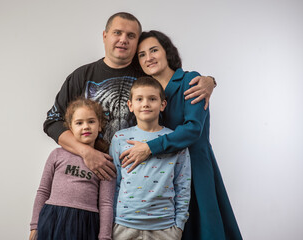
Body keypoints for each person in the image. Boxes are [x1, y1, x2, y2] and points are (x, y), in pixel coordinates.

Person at [43, 12, 216, 180]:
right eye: (117, 33)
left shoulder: (149, 74)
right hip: (93, 175)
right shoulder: (82, 76)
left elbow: (175, 85)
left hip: (145, 176)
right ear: (105, 36)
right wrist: (85, 151)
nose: (123, 39)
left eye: (131, 36)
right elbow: (52, 121)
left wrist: (209, 81)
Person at [119, 30, 242, 240]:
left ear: (167, 52)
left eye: (154, 50)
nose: (149, 58)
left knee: (203, 228)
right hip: (163, 176)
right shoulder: (147, 92)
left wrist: (149, 148)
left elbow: (193, 129)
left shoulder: (191, 80)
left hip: (195, 168)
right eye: (142, 54)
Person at [110, 76, 191, 240]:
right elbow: (114, 182)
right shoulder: (120, 138)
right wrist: (110, 222)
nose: (145, 103)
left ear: (163, 104)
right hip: (123, 225)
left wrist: (179, 226)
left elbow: (183, 186)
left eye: (152, 99)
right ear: (130, 105)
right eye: (139, 99)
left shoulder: (174, 140)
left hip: (165, 228)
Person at [30, 98, 115, 240]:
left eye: (91, 121)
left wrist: (105, 237)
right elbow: (43, 191)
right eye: (79, 123)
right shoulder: (57, 154)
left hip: (86, 223)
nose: (86, 126)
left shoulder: (104, 162)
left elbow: (106, 204)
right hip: (53, 218)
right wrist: (34, 226)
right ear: (70, 127)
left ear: (100, 125)